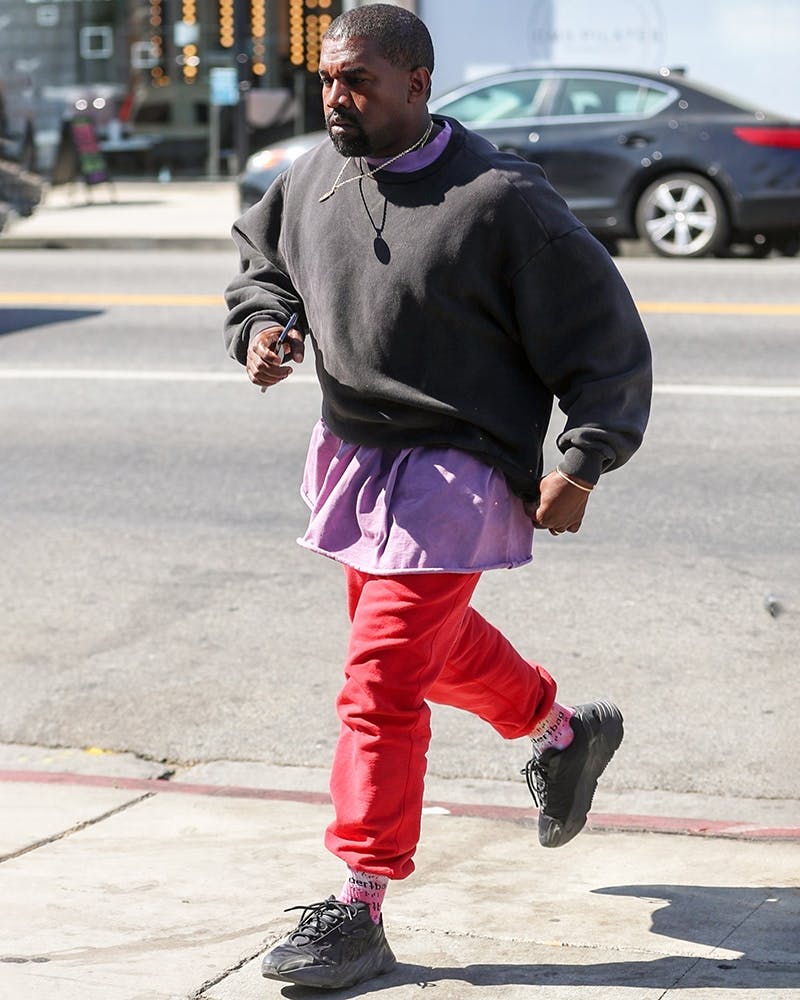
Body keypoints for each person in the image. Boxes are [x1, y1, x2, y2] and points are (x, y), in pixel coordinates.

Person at [224, 3, 652, 991]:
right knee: (423, 647)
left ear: (416, 83)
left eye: (356, 81)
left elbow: (605, 339)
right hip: (358, 454)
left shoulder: (500, 200)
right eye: (327, 78)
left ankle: (358, 900)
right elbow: (262, 263)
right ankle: (559, 731)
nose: (335, 96)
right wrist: (264, 328)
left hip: (458, 466)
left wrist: (582, 459)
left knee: (378, 679)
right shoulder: (313, 177)